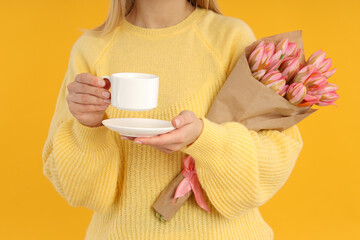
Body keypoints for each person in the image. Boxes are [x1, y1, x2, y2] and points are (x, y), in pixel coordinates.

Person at [42, 0, 304, 239]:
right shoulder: (91, 48)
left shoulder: (229, 37)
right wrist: (88, 127)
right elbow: (79, 192)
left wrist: (204, 137)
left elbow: (274, 160)